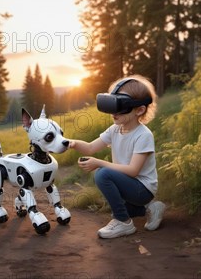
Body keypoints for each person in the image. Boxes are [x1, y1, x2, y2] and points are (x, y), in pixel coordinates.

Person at [68, 75, 166, 239]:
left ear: (139, 110)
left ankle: (123, 223)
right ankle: (152, 208)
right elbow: (91, 147)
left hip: (143, 189)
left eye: (120, 106)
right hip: (129, 187)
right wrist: (71, 143)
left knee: (102, 173)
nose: (114, 112)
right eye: (112, 104)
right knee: (116, 202)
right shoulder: (115, 129)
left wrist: (99, 163)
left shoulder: (143, 135)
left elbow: (133, 171)